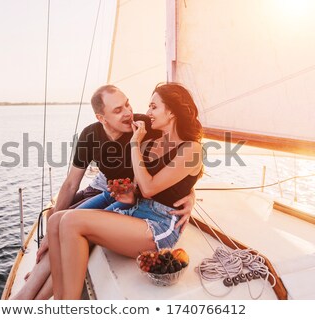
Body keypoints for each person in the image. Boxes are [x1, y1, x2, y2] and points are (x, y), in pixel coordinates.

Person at [10, 84, 195, 299]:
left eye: (127, 104)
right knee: (55, 220)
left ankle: (40, 298)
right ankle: (29, 292)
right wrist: (48, 240)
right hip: (107, 190)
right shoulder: (90, 135)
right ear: (102, 117)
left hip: (134, 200)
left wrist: (191, 196)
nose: (127, 113)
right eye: (117, 110)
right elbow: (71, 184)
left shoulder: (145, 124)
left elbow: (184, 163)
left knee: (71, 226)